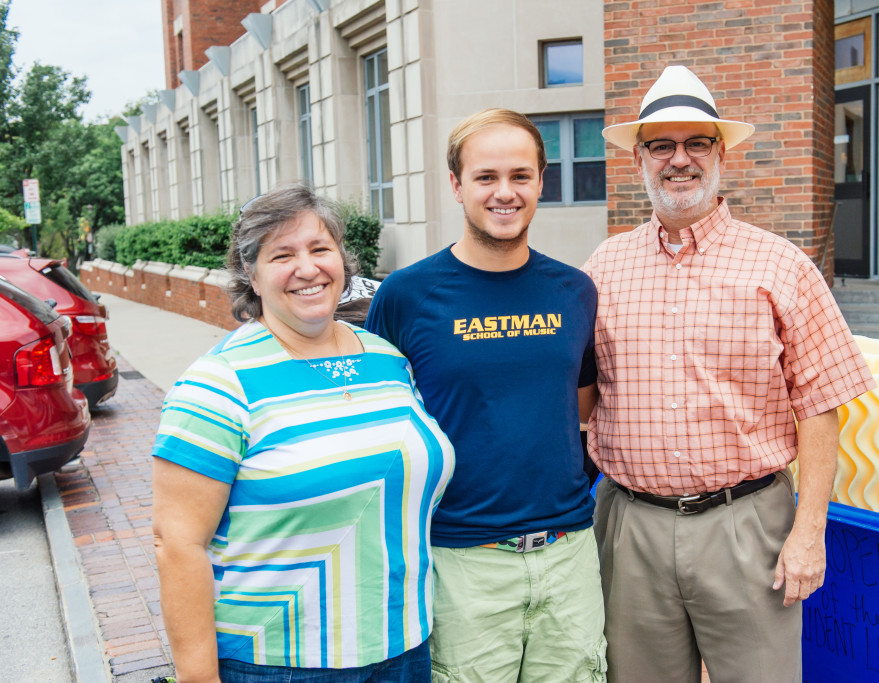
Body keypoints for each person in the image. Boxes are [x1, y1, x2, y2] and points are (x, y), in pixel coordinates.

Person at [583, 65, 876, 682]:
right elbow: (584, 396)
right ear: (638, 160)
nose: (679, 160)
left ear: (723, 156)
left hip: (749, 527)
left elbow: (822, 407)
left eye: (697, 143)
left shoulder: (781, 266)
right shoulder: (603, 268)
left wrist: (809, 533)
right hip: (630, 526)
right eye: (661, 144)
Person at [152, 184, 455, 683]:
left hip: (403, 646)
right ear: (251, 272)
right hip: (278, 661)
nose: (307, 268)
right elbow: (177, 543)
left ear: (342, 259)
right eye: (282, 254)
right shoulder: (218, 383)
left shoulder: (387, 359)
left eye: (320, 249)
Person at [365, 108, 606, 682]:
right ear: (456, 185)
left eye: (521, 176)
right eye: (486, 177)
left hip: (568, 554)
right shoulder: (406, 296)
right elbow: (374, 422)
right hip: (460, 562)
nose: (505, 192)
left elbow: (580, 406)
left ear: (541, 182)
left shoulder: (575, 291)